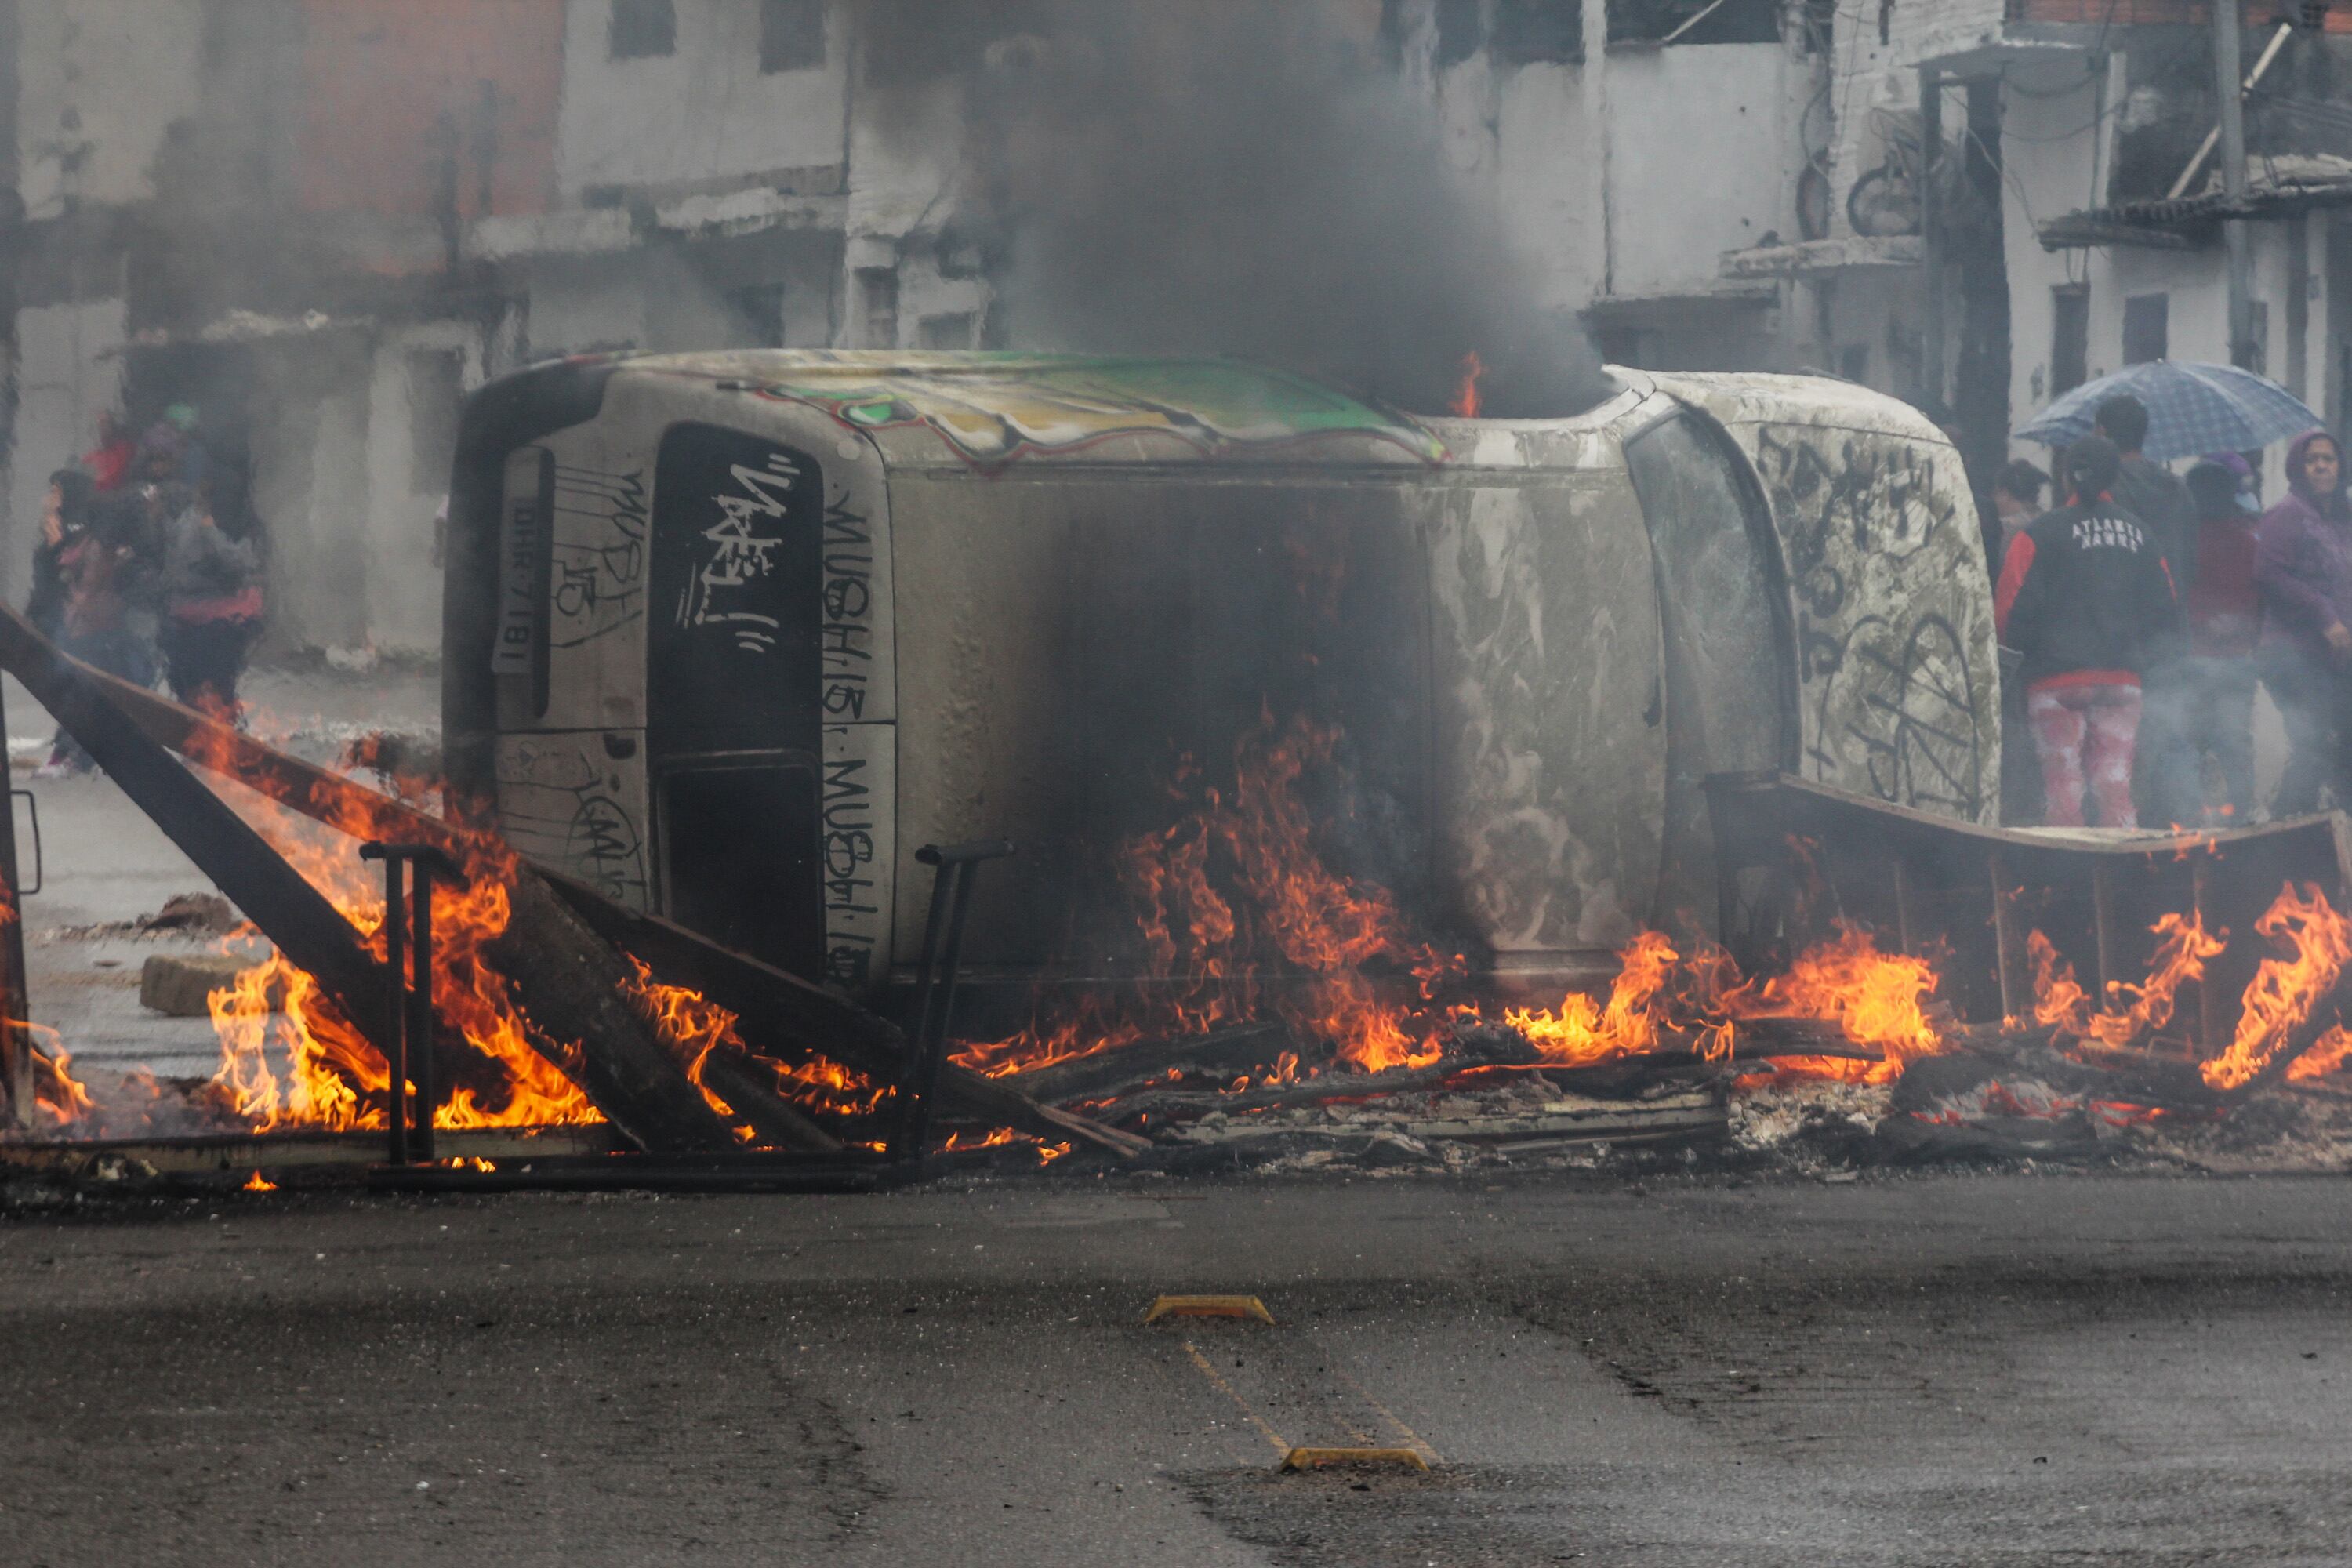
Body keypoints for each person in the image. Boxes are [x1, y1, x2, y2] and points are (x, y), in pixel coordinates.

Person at [1994, 436, 2180, 828]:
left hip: (2054, 682)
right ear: (2114, 476)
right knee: (2115, 787)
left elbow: (2010, 610)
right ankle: (2125, 876)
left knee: (2063, 789)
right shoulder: (2141, 534)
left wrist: (2017, 661)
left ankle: (2066, 879)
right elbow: (2166, 608)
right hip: (2123, 680)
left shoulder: (2039, 533)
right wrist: (2142, 656)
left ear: (2066, 477)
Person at [2253, 429, 2352, 815]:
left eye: (2329, 459)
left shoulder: (2343, 518)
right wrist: (2324, 615)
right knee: (2314, 746)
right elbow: (2268, 575)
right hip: (2293, 653)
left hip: (2337, 658)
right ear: (2299, 467)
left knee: (2345, 746)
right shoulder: (2286, 515)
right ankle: (2286, 841)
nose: (2322, 466)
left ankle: (2340, 842)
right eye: (2312, 460)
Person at [2178, 455, 2263, 822]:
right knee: (2234, 743)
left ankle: (2187, 819)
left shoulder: (2181, 542)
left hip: (2191, 657)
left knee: (2188, 744)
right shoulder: (2251, 543)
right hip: (2238, 660)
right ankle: (2240, 815)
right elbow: (2260, 601)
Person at [158, 481, 263, 717]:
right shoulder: (201, 527)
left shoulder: (176, 525)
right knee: (216, 684)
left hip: (180, 615)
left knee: (192, 687)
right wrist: (248, 549)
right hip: (207, 618)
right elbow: (235, 563)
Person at [28, 467, 93, 640]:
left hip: (60, 628)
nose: (47, 499)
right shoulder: (61, 529)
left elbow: (58, 581)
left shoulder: (73, 535)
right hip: (42, 616)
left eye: (54, 493)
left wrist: (53, 547)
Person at [1992, 459, 2049, 551]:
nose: (1994, 499)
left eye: (1995, 493)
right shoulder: (2049, 520)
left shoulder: (2005, 528)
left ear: (2004, 493)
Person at [80, 411, 136, 494]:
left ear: (114, 428)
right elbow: (87, 482)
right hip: (96, 500)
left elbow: (115, 478)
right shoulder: (88, 459)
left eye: (106, 425)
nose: (103, 430)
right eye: (99, 426)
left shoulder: (127, 450)